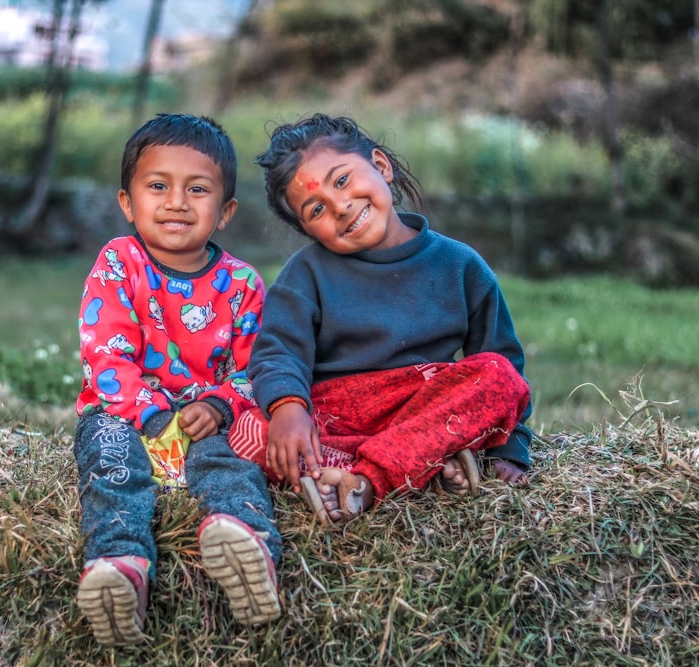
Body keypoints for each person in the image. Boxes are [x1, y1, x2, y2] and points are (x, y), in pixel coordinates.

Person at [229, 113, 533, 525]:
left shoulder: (460, 265)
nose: (340, 206)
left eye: (341, 180)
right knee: (247, 431)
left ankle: (367, 481)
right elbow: (278, 351)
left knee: (497, 375)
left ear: (382, 166)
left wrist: (508, 448)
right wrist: (287, 408)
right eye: (317, 208)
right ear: (307, 229)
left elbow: (502, 364)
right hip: (338, 417)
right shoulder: (305, 275)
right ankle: (421, 466)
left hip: (423, 408)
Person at [72, 113, 281, 646]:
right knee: (113, 469)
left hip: (202, 420)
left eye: (198, 189)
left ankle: (246, 538)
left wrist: (219, 405)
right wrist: (151, 415)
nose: (176, 202)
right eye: (158, 186)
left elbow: (255, 366)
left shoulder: (242, 285)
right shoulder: (119, 263)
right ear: (127, 202)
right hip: (122, 414)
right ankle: (121, 565)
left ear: (226, 210)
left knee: (229, 461)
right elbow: (107, 352)